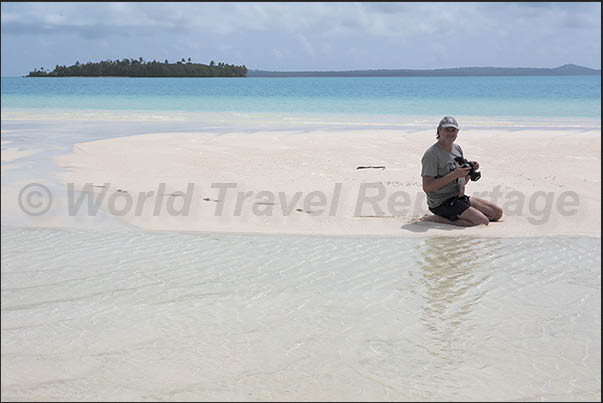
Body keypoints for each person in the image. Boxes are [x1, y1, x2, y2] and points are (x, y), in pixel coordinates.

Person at [421, 116, 503, 227]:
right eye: (447, 130)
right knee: (483, 222)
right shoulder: (431, 154)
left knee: (497, 213)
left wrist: (470, 170)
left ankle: (460, 213)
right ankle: (435, 218)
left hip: (458, 196)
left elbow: (462, 182)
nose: (450, 133)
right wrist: (454, 174)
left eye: (453, 130)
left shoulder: (457, 149)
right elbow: (427, 187)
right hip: (441, 202)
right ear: (439, 131)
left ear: (457, 132)